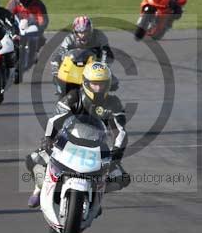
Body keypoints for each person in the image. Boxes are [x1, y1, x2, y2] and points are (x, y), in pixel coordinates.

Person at [26, 62, 129, 208]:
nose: (98, 88)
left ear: (108, 84)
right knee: (33, 159)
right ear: (86, 83)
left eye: (102, 84)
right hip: (68, 141)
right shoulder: (73, 97)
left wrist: (117, 152)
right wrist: (48, 138)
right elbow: (55, 120)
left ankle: (95, 195)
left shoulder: (113, 103)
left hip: (97, 146)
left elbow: (120, 131)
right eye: (94, 84)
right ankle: (39, 189)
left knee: (122, 178)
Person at [50, 16, 113, 85]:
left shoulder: (99, 36)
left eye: (85, 32)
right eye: (79, 32)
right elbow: (58, 55)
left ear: (90, 30)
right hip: (74, 66)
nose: (82, 35)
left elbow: (107, 53)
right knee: (59, 82)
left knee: (112, 83)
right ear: (75, 32)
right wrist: (55, 73)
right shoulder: (69, 39)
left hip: (95, 66)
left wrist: (104, 67)